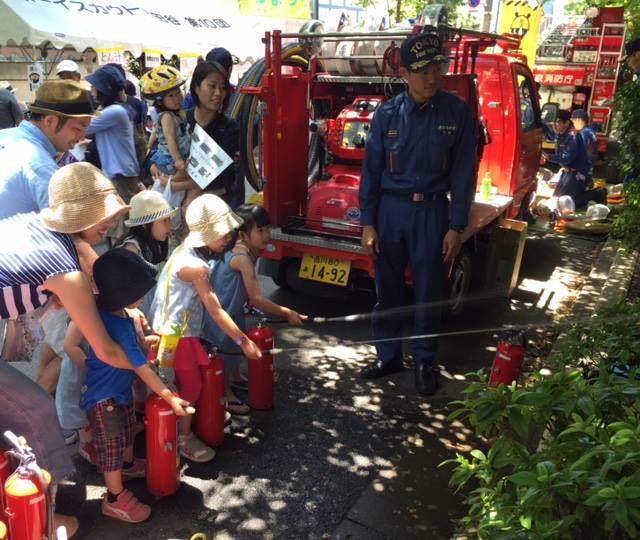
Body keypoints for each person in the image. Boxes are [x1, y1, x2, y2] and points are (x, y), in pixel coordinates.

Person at [0, 162, 133, 536]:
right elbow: (104, 349)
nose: (110, 224)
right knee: (34, 412)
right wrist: (146, 369)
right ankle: (41, 520)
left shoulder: (36, 223)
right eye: (103, 216)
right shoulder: (66, 269)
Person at [358, 33, 476, 396]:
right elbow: (372, 172)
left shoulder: (457, 113)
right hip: (391, 212)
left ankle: (424, 361)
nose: (432, 77)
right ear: (405, 73)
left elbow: (463, 173)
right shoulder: (388, 114)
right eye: (423, 71)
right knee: (388, 290)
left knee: (429, 292)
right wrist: (368, 223)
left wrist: (457, 226)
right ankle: (389, 355)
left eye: (437, 68)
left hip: (432, 213)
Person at [68, 248, 190, 523]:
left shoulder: (109, 313)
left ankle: (128, 465)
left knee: (125, 433)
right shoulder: (121, 324)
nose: (143, 298)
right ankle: (114, 497)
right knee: (111, 447)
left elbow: (127, 353)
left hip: (116, 395)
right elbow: (142, 369)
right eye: (139, 292)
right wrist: (170, 397)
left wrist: (142, 344)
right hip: (105, 401)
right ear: (122, 293)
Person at [149, 194, 261, 461]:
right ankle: (182, 439)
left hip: (170, 330)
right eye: (220, 234)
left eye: (227, 233)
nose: (226, 239)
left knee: (171, 381)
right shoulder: (197, 267)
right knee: (189, 386)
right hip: (176, 336)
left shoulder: (184, 249)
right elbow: (215, 308)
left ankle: (175, 428)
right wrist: (243, 341)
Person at [202, 204, 306, 414]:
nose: (267, 235)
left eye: (268, 229)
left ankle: (235, 378)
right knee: (226, 352)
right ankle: (225, 394)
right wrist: (287, 312)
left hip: (232, 310)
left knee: (231, 350)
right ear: (242, 235)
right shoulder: (241, 257)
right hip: (223, 315)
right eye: (260, 230)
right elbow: (257, 299)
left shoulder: (244, 251)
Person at [0, 80, 95, 218]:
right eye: (77, 129)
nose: (82, 137)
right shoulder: (42, 168)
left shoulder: (5, 136)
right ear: (50, 121)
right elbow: (63, 227)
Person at [85, 64, 140, 238]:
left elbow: (84, 127)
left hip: (120, 175)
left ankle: (122, 259)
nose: (92, 91)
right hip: (121, 174)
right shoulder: (114, 110)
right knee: (119, 223)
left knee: (121, 226)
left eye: (94, 87)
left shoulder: (113, 112)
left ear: (104, 89)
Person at [181, 60, 241, 206]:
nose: (218, 93)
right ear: (196, 87)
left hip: (214, 203)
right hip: (176, 202)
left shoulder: (229, 128)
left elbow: (218, 175)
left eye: (223, 88)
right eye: (212, 86)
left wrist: (176, 185)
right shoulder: (181, 120)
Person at [118, 190, 177, 314]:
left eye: (169, 220)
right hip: (139, 311)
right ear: (145, 225)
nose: (169, 226)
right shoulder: (132, 249)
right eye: (164, 221)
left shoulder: (156, 242)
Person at [541, 109, 595, 208]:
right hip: (568, 172)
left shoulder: (573, 136)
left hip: (578, 173)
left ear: (566, 123)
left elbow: (566, 158)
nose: (555, 125)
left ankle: (597, 193)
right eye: (554, 123)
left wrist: (548, 156)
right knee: (556, 197)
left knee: (565, 201)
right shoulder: (559, 133)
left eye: (558, 123)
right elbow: (548, 133)